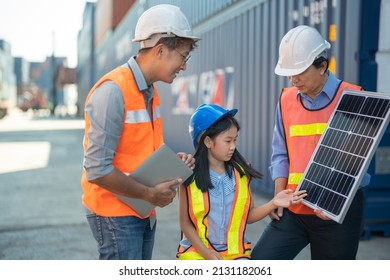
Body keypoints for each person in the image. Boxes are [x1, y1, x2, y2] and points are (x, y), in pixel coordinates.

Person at [81, 4, 199, 260]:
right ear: (160, 50)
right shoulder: (113, 92)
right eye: (183, 56)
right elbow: (97, 169)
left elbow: (140, 152)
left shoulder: (149, 91)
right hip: (116, 215)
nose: (184, 66)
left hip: (141, 211)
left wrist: (171, 166)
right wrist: (148, 194)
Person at [250, 25, 371, 260]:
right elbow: (280, 153)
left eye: (299, 72)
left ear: (322, 66)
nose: (292, 79)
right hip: (293, 207)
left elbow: (359, 164)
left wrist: (335, 202)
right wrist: (278, 196)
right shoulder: (286, 100)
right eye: (289, 72)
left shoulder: (354, 97)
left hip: (337, 213)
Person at [176, 104, 307, 260]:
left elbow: (248, 216)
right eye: (228, 141)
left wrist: (274, 202)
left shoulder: (242, 174)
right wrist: (207, 254)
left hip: (234, 254)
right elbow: (185, 223)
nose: (233, 146)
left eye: (235, 140)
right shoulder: (188, 175)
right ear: (208, 142)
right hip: (197, 253)